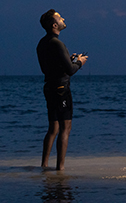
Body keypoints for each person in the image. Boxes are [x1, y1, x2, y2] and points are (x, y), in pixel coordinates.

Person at [36, 9, 88, 170]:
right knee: (65, 128)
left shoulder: (42, 43)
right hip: (61, 89)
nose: (63, 18)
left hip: (49, 87)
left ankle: (44, 165)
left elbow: (49, 68)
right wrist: (79, 62)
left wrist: (70, 60)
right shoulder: (57, 43)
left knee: (53, 128)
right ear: (54, 25)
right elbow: (71, 70)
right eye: (60, 18)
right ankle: (61, 168)